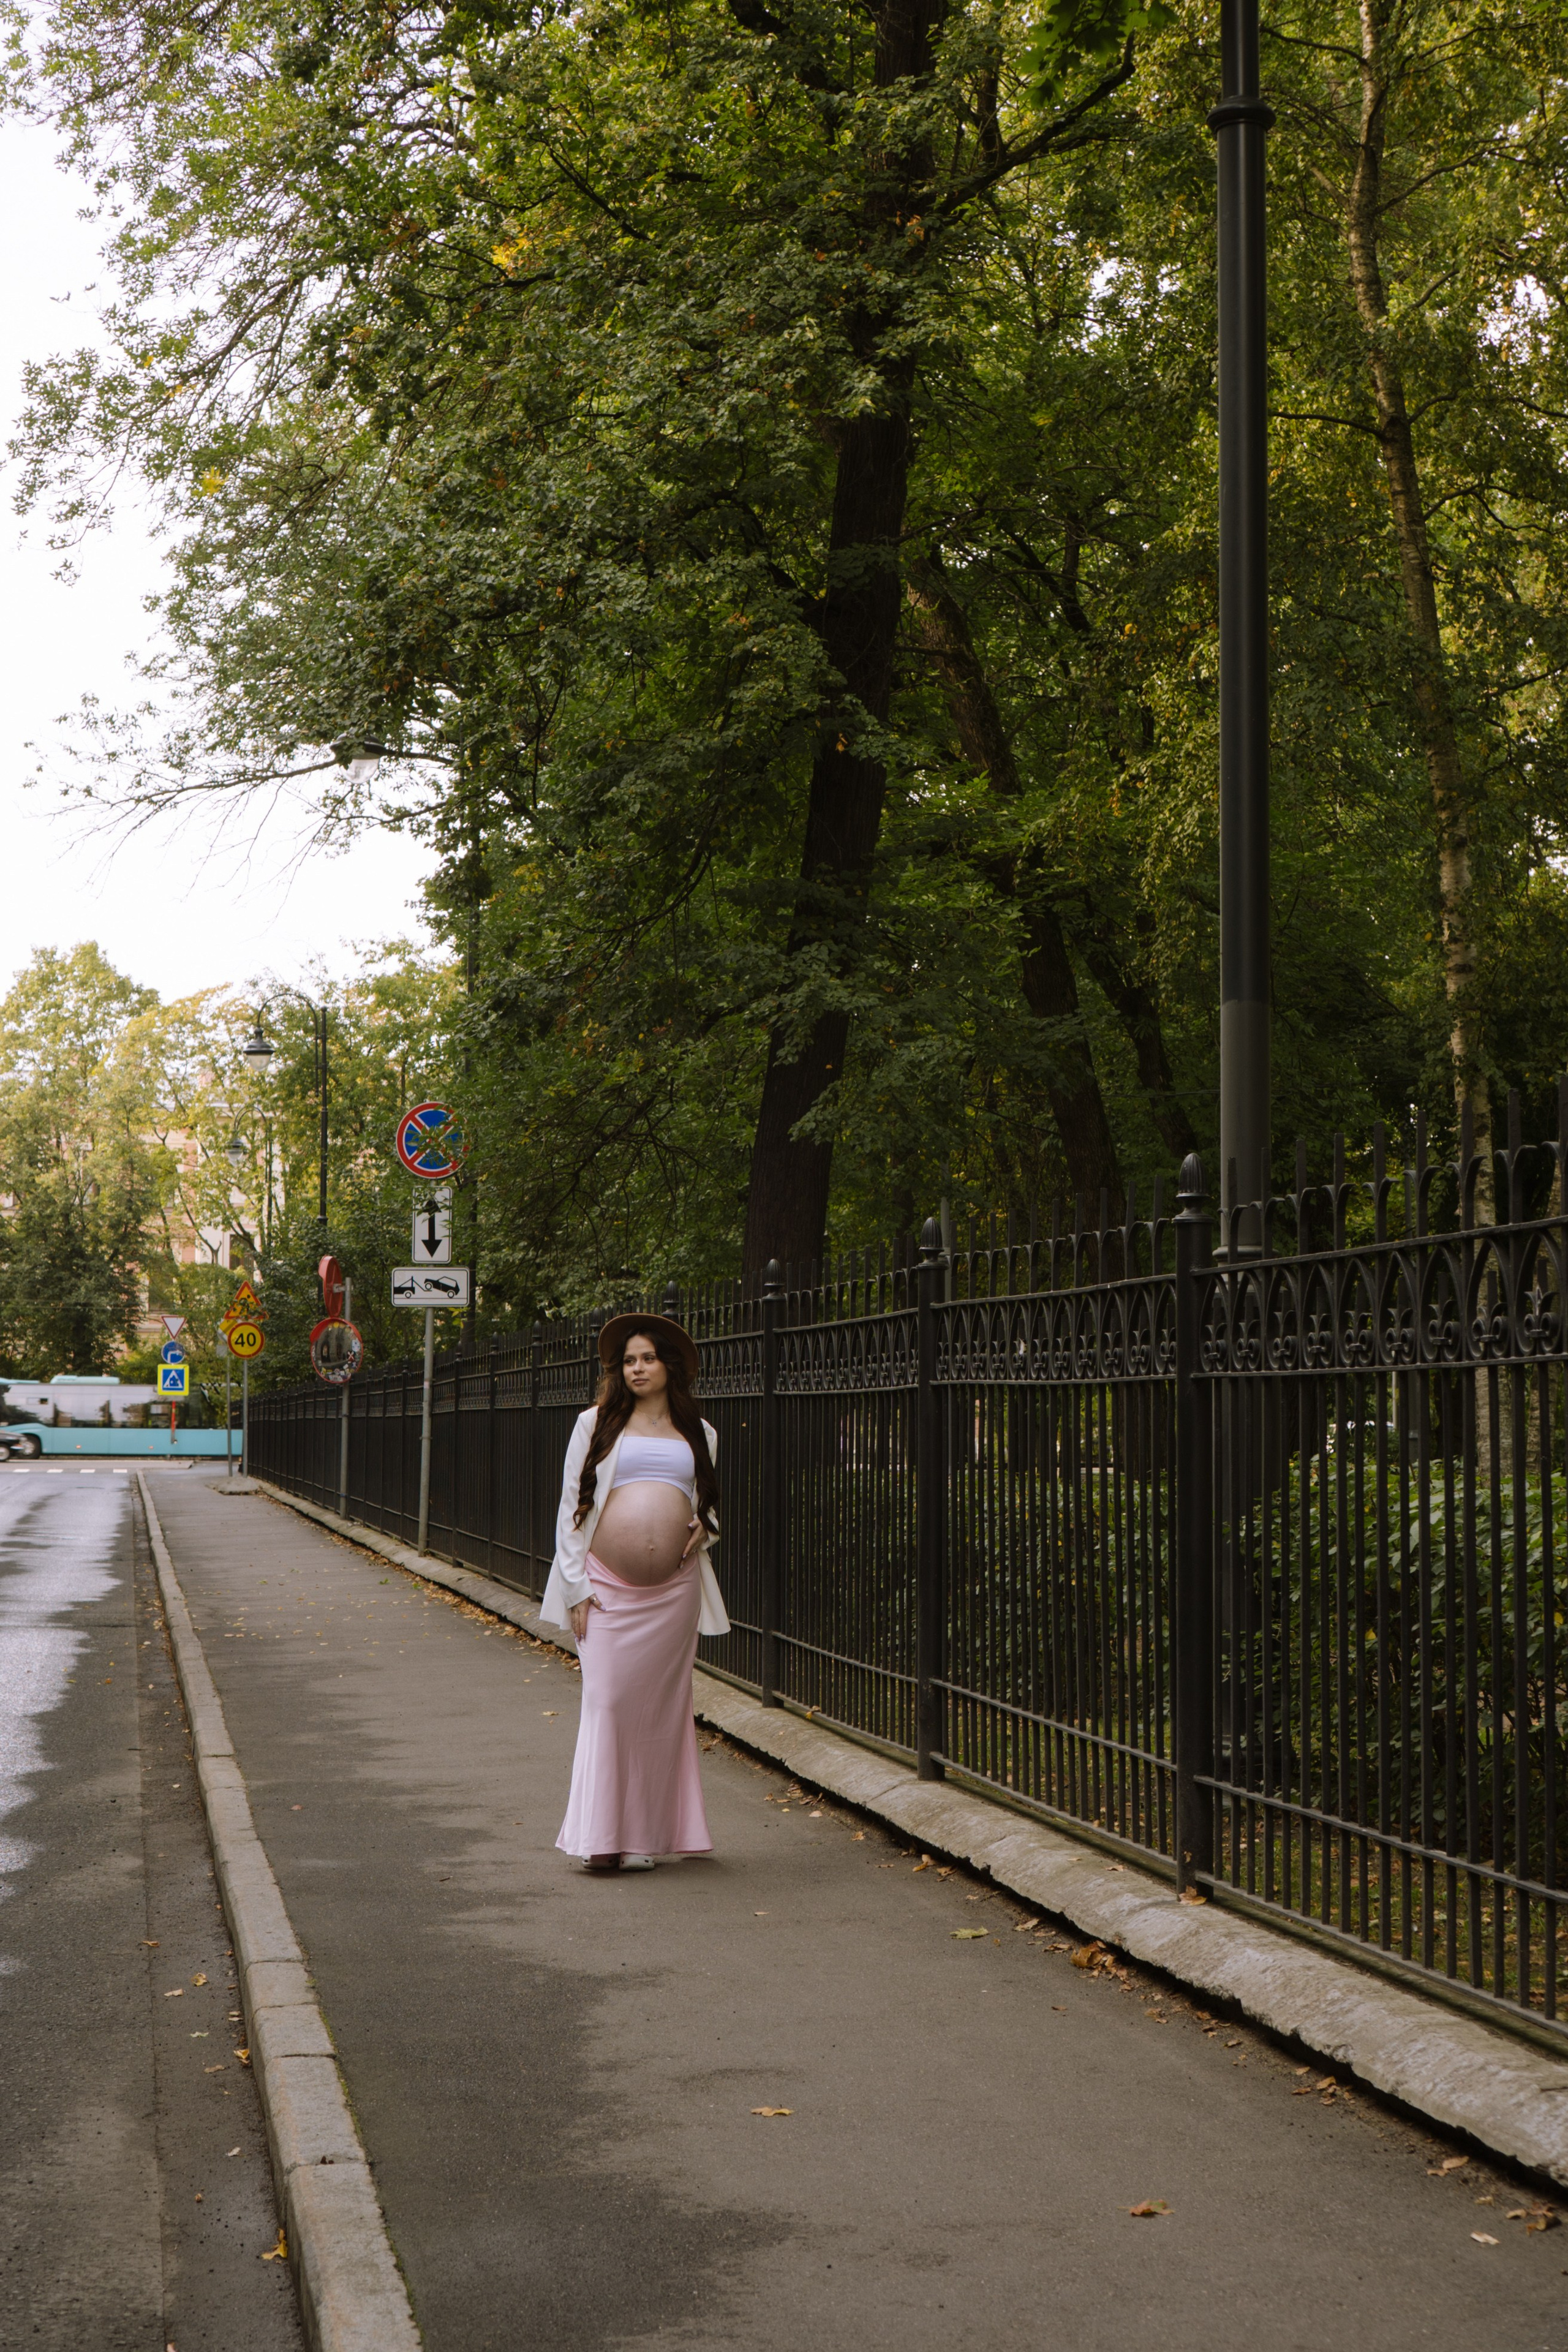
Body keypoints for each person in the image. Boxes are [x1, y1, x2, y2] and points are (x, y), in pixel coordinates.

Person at [540, 1313, 728, 1872]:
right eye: (629, 1360)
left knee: (661, 1712)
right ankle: (601, 1838)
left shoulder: (700, 1432)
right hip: (605, 1588)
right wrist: (575, 1587)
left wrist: (708, 1527)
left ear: (670, 1365)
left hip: (673, 1593)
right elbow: (570, 1507)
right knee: (609, 1702)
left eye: (648, 1358)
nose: (638, 1368)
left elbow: (708, 1506)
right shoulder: (594, 1424)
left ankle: (643, 1839)